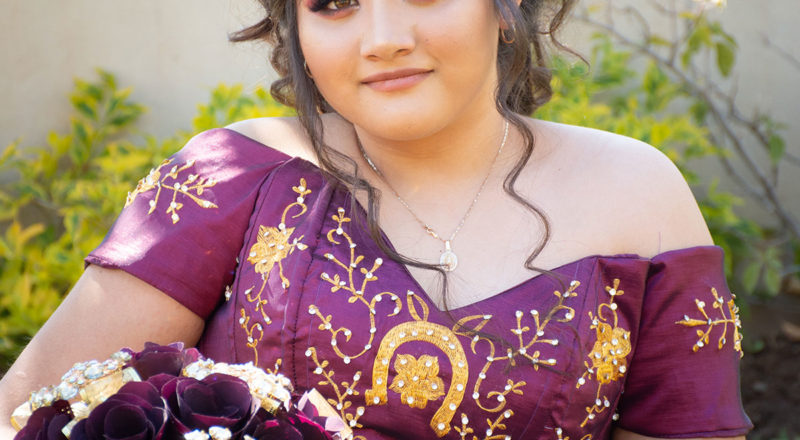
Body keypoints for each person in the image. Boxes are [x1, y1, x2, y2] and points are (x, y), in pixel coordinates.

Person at [0, 0, 752, 439]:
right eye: (333, 0)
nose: (383, 36)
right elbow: (24, 414)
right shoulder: (233, 175)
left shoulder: (638, 196)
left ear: (506, 9)